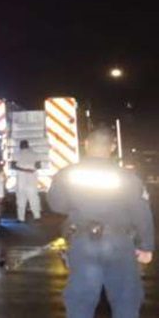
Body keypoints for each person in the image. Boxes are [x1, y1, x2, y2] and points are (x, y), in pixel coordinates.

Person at [48, 127, 154, 318]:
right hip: (119, 242)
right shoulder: (127, 177)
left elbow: (57, 205)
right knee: (125, 300)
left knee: (80, 302)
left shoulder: (67, 174)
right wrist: (146, 246)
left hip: (82, 242)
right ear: (112, 147)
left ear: (87, 145)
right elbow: (141, 212)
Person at [13, 139, 42, 222]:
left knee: (21, 200)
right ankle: (37, 216)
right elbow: (38, 166)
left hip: (21, 182)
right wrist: (31, 169)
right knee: (34, 199)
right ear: (28, 145)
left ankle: (21, 218)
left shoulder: (17, 154)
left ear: (21, 146)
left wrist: (24, 170)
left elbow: (13, 166)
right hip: (32, 181)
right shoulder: (35, 154)